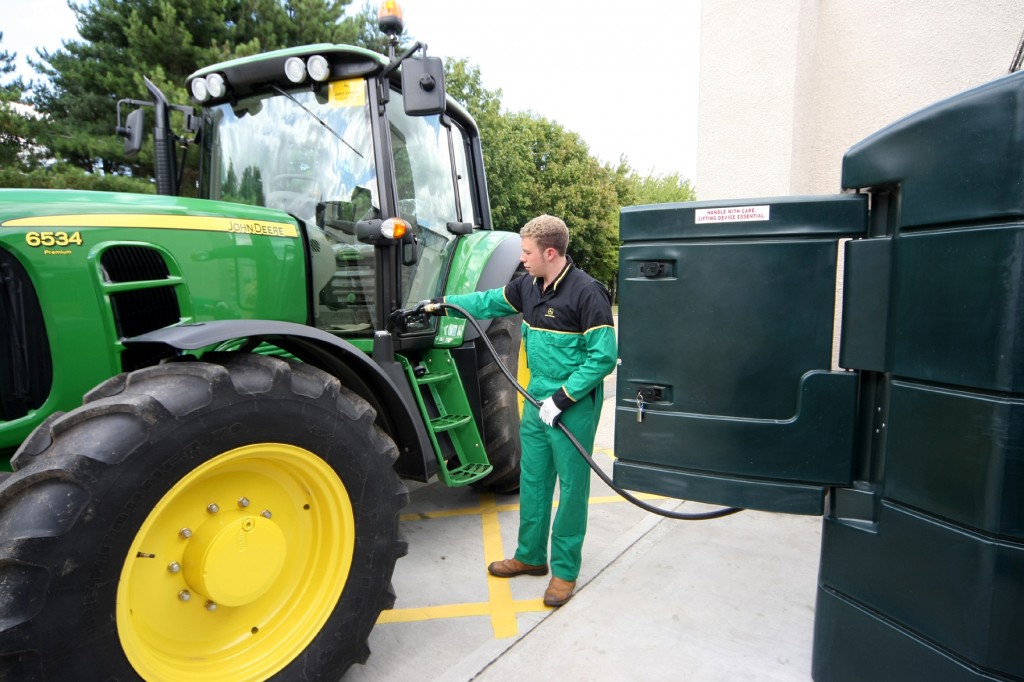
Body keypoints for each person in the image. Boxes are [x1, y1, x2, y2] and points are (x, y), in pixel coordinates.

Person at [423, 214, 617, 607]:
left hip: (571, 405)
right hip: (535, 400)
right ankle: (530, 557)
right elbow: (488, 300)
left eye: (527, 252)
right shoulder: (528, 286)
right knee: (533, 481)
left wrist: (562, 399)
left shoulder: (586, 293)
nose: (522, 259)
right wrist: (444, 304)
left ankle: (564, 572)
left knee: (572, 489)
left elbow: (603, 358)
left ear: (550, 252)